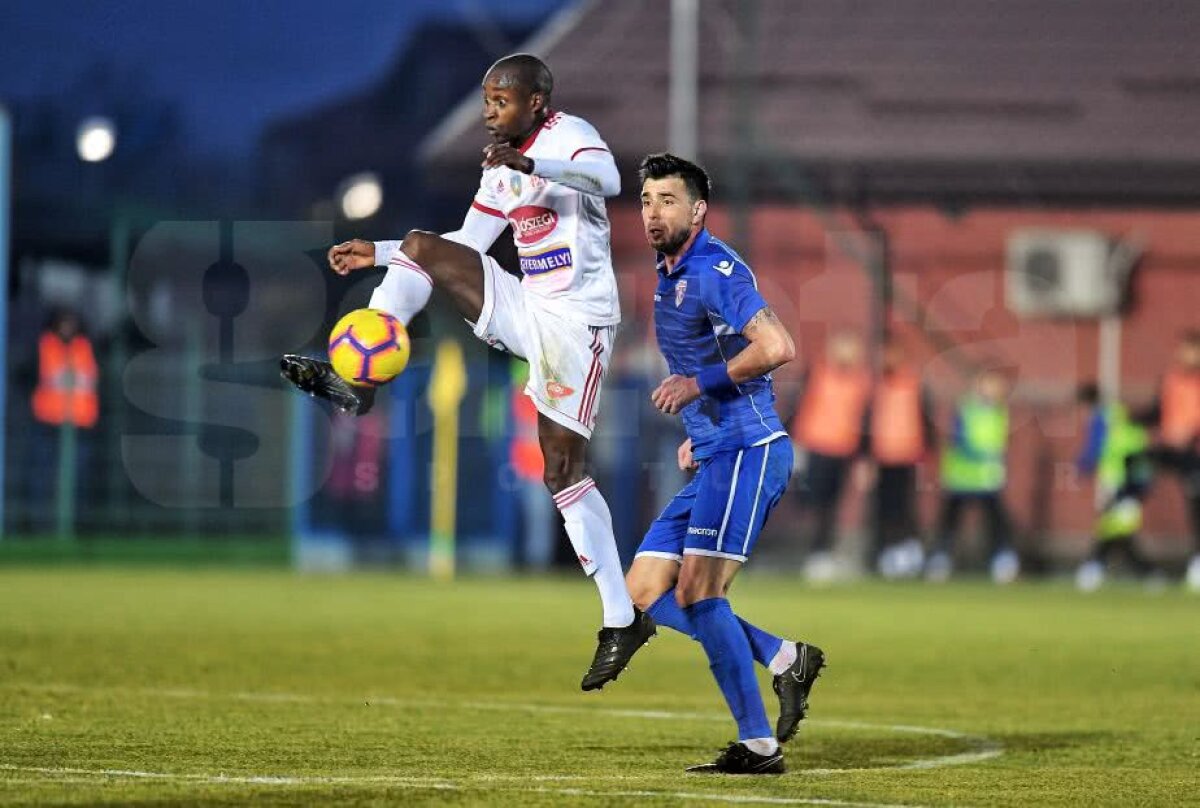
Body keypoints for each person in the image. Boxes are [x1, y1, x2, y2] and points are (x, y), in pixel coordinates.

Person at [280, 54, 654, 688]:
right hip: (524, 304)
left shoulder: (570, 136)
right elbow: (469, 242)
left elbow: (609, 180)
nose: (489, 111)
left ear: (536, 103)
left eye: (501, 100)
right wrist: (381, 252)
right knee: (426, 245)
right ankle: (359, 382)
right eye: (485, 99)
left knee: (561, 469)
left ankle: (621, 618)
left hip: (577, 324)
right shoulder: (499, 169)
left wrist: (530, 164)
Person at [624, 153, 824, 775]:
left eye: (668, 201)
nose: (655, 212)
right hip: (716, 451)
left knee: (699, 590)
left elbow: (778, 346)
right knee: (642, 591)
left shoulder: (714, 269)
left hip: (748, 452)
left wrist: (696, 388)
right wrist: (698, 430)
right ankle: (784, 657)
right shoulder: (670, 271)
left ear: (698, 210)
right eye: (648, 200)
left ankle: (759, 746)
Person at [788, 329, 870, 580]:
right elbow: (798, 406)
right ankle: (811, 552)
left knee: (832, 505)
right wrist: (792, 441)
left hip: (843, 448)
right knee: (811, 501)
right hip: (815, 445)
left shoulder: (860, 380)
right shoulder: (817, 373)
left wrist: (863, 457)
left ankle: (822, 554)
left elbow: (865, 420)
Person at [926, 368, 1019, 583]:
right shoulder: (966, 409)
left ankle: (1003, 560)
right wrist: (981, 455)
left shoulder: (1000, 412)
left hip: (988, 479)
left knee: (997, 522)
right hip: (963, 477)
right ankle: (939, 560)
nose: (995, 390)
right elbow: (959, 441)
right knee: (950, 521)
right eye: (990, 384)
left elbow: (1000, 444)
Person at [1073, 383, 1157, 591]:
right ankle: (1144, 573)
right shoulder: (1119, 415)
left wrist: (1080, 468)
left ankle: (1096, 568)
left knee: (1113, 529)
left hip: (1124, 484)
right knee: (1115, 529)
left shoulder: (1101, 419)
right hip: (1134, 483)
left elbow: (1095, 449)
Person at [1136, 330, 1200, 590]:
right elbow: (1158, 412)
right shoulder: (1171, 379)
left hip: (1194, 454)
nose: (1186, 354)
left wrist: (1191, 433)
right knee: (1132, 480)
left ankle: (1197, 562)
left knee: (1196, 508)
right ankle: (1109, 551)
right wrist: (1131, 419)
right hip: (1169, 449)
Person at [868, 339, 935, 579]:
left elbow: (926, 421)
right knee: (884, 508)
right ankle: (887, 554)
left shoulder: (913, 384)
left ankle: (910, 553)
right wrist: (866, 457)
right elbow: (867, 423)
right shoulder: (876, 387)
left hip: (908, 454)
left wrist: (927, 455)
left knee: (907, 507)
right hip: (883, 455)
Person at [30, 309, 99, 532]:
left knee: (78, 481)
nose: (68, 327)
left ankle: (76, 529)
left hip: (79, 425)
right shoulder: (43, 346)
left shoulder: (86, 347)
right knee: (43, 479)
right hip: (49, 423)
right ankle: (41, 527)